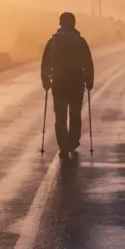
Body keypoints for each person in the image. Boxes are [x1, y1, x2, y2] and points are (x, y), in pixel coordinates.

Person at [40, 12, 94, 160]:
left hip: (59, 83)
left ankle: (63, 146)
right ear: (74, 23)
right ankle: (73, 143)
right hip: (76, 83)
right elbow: (88, 62)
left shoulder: (53, 41)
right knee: (75, 114)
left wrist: (46, 80)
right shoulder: (80, 41)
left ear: (60, 23)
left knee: (60, 116)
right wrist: (89, 80)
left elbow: (45, 62)